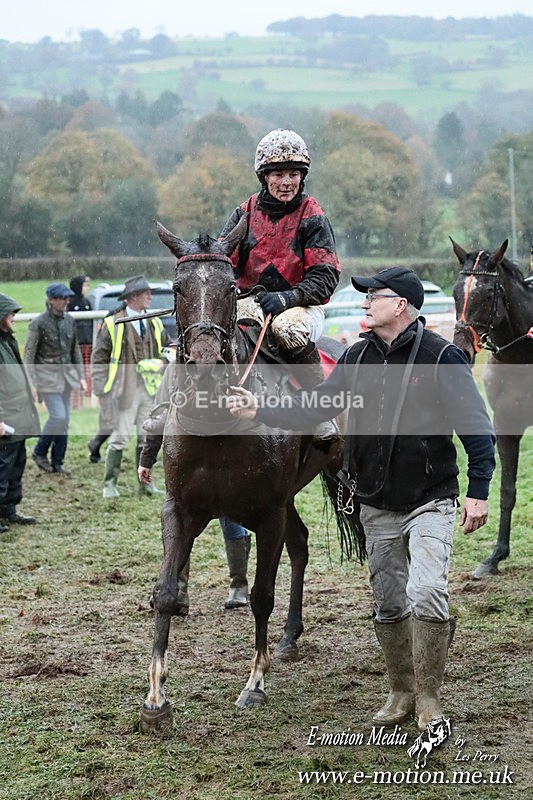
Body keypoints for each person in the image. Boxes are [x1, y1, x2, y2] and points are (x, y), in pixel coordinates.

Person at [227, 267, 496, 731]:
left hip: (431, 500)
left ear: (401, 305)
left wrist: (479, 491)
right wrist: (260, 409)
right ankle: (400, 691)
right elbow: (315, 406)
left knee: (427, 592)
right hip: (375, 501)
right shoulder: (355, 357)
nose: (366, 302)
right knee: (389, 603)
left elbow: (476, 426)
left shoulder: (441, 357)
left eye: (375, 295)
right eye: (366, 296)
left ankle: (429, 698)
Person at [219, 128, 341, 435]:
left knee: (286, 329)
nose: (286, 182)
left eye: (293, 174)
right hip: (249, 302)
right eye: (278, 174)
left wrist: (288, 298)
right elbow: (223, 261)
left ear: (302, 176)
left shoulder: (312, 214)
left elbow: (326, 276)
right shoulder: (244, 213)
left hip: (301, 306)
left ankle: (320, 411)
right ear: (264, 177)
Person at [138, 362, 251, 611]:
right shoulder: (175, 371)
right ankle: (180, 592)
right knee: (183, 524)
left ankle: (237, 585)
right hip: (194, 465)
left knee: (229, 519)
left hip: (223, 459)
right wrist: (147, 458)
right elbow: (160, 416)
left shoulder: (229, 367)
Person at [91, 274, 169, 498]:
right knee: (120, 438)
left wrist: (163, 362)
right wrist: (101, 391)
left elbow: (169, 348)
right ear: (133, 297)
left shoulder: (154, 321)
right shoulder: (112, 323)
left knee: (146, 438)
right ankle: (109, 485)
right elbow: (99, 360)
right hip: (124, 391)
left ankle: (145, 485)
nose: (150, 297)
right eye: (146, 293)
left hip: (151, 391)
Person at [24, 283, 86, 475]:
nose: (66, 301)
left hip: (67, 378)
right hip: (46, 379)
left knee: (64, 421)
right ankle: (39, 451)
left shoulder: (70, 321)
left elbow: (75, 350)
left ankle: (57, 462)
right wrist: (32, 384)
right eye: (62, 298)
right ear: (51, 300)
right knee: (59, 416)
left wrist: (81, 376)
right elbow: (29, 356)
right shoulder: (38, 323)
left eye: (67, 298)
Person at [0, 293, 41, 531]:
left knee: (16, 465)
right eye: (10, 313)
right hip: (6, 418)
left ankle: (9, 510)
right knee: (2, 469)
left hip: (18, 416)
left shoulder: (8, 340)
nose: (14, 317)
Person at [68, 275, 93, 409]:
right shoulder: (70, 302)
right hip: (75, 346)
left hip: (87, 344)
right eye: (85, 285)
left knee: (86, 373)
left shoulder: (87, 302)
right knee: (76, 373)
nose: (87, 288)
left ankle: (83, 403)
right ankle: (74, 404)